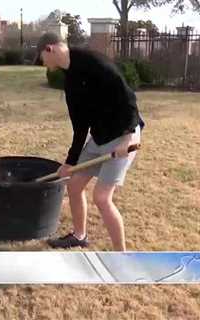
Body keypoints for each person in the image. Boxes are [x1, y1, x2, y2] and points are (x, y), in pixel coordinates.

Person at [36, 33, 144, 251]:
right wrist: (70, 162)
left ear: (50, 49)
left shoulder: (94, 62)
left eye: (41, 58)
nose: (42, 64)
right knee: (74, 185)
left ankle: (120, 257)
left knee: (102, 198)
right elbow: (80, 126)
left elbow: (128, 96)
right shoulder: (70, 81)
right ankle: (79, 235)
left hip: (123, 136)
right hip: (100, 137)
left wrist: (130, 133)